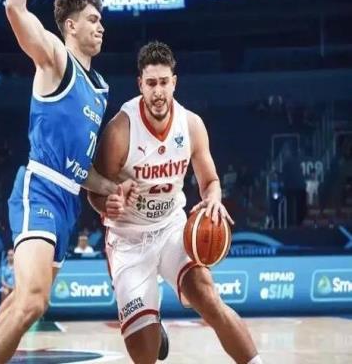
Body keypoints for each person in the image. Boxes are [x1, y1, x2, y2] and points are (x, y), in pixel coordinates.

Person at [0, 0, 135, 362]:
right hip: (41, 188)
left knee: (21, 302)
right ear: (70, 26)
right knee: (33, 301)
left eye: (101, 21)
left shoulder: (99, 88)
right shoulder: (55, 58)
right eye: (93, 20)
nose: (101, 26)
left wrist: (112, 187)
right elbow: (13, 7)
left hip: (69, 202)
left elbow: (81, 170)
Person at [88, 41, 262, 364]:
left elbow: (210, 182)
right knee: (144, 354)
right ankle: (152, 325)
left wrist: (213, 200)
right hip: (128, 238)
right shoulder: (120, 130)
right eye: (151, 83)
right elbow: (94, 190)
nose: (158, 92)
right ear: (140, 84)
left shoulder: (191, 125)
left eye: (164, 82)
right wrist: (108, 203)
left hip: (171, 228)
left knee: (209, 299)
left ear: (174, 82)